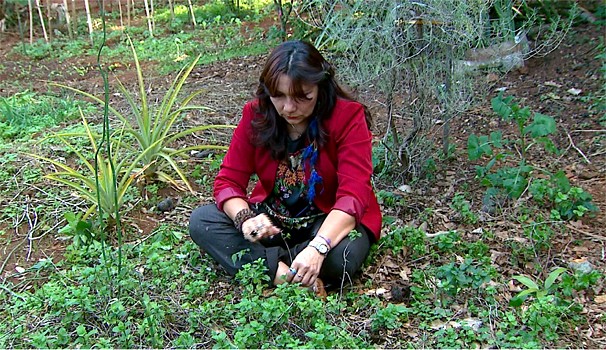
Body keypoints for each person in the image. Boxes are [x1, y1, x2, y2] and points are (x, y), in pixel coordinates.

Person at [189, 40, 382, 293]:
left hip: (326, 222)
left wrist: (318, 247)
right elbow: (228, 181)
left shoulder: (348, 117)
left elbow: (353, 195)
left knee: (343, 256)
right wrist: (245, 219)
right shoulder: (257, 114)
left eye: (302, 97)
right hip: (273, 222)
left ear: (320, 88)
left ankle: (268, 263)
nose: (289, 108)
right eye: (278, 96)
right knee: (202, 221)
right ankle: (287, 273)